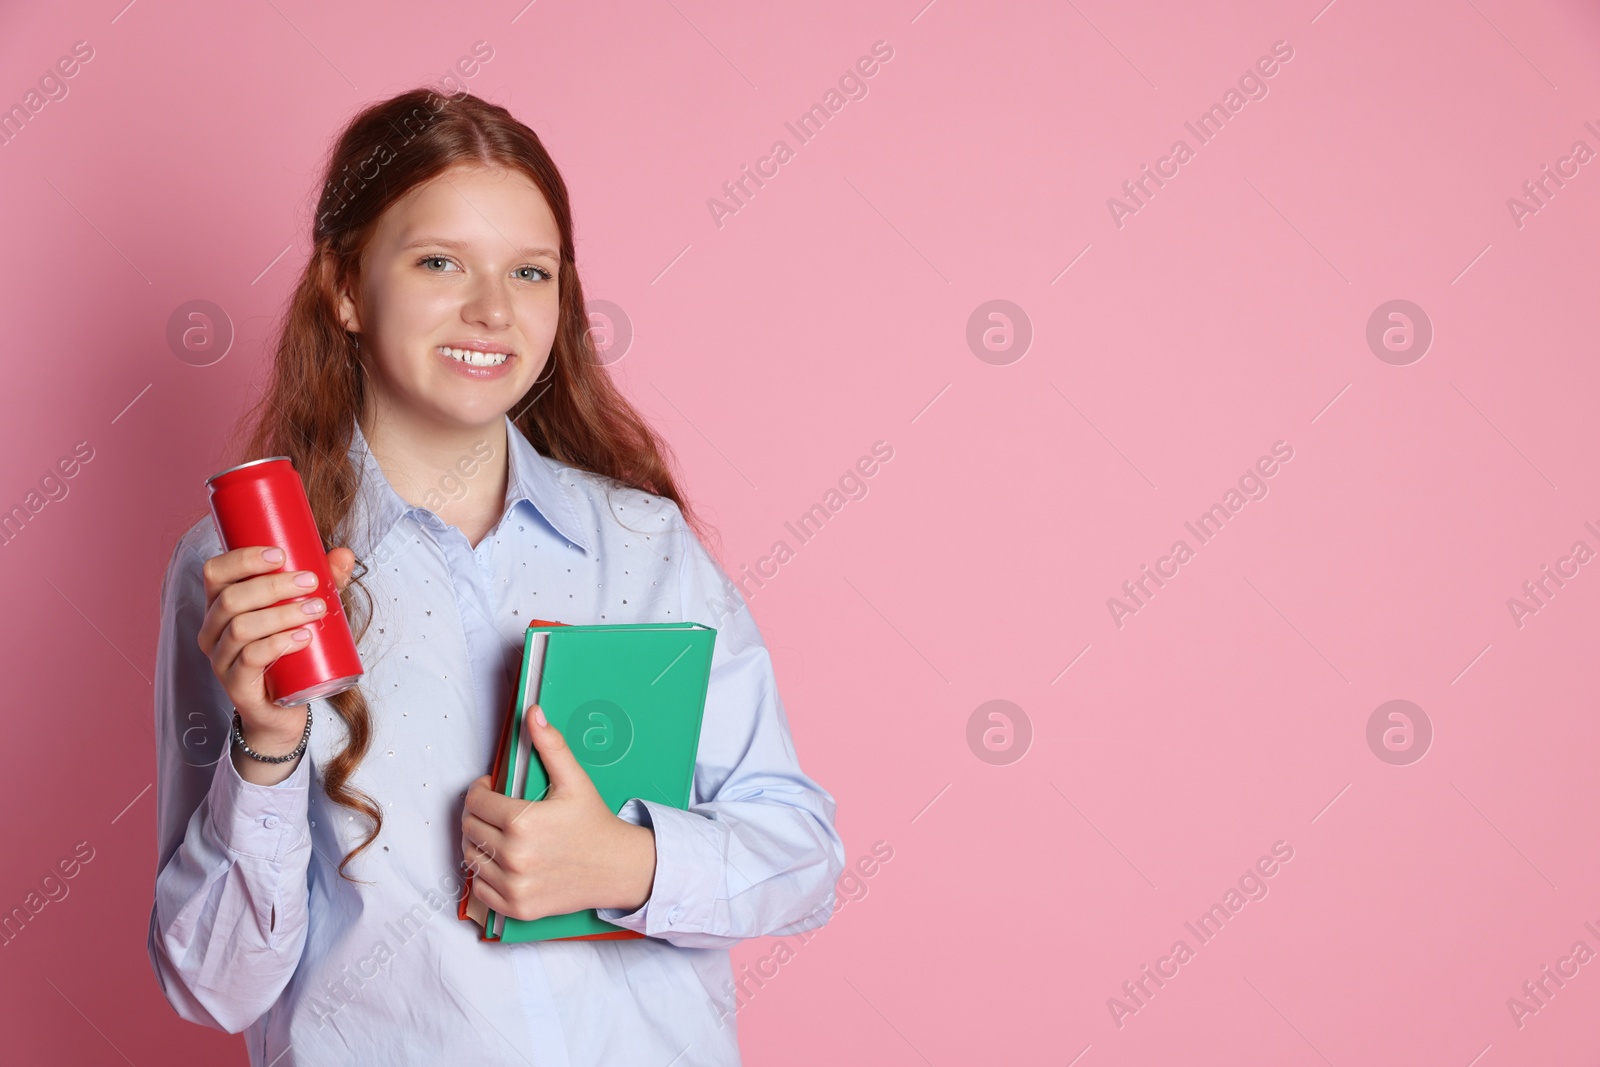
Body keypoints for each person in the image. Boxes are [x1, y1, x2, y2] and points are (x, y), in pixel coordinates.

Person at [148, 86, 844, 1067]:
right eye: (440, 261)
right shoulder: (248, 570)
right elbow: (211, 986)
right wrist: (265, 745)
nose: (492, 308)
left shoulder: (644, 545)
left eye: (530, 270)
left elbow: (802, 856)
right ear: (346, 286)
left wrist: (628, 862)